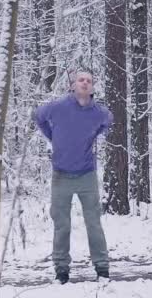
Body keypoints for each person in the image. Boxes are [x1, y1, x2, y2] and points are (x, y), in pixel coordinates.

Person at [33, 70, 113, 284]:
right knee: (62, 225)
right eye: (81, 80)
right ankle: (61, 271)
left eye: (89, 80)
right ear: (72, 85)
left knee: (94, 223)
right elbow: (38, 116)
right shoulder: (58, 107)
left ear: (93, 87)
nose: (85, 83)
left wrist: (92, 137)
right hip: (61, 176)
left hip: (87, 175)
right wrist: (53, 137)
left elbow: (107, 122)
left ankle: (102, 269)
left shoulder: (99, 112)